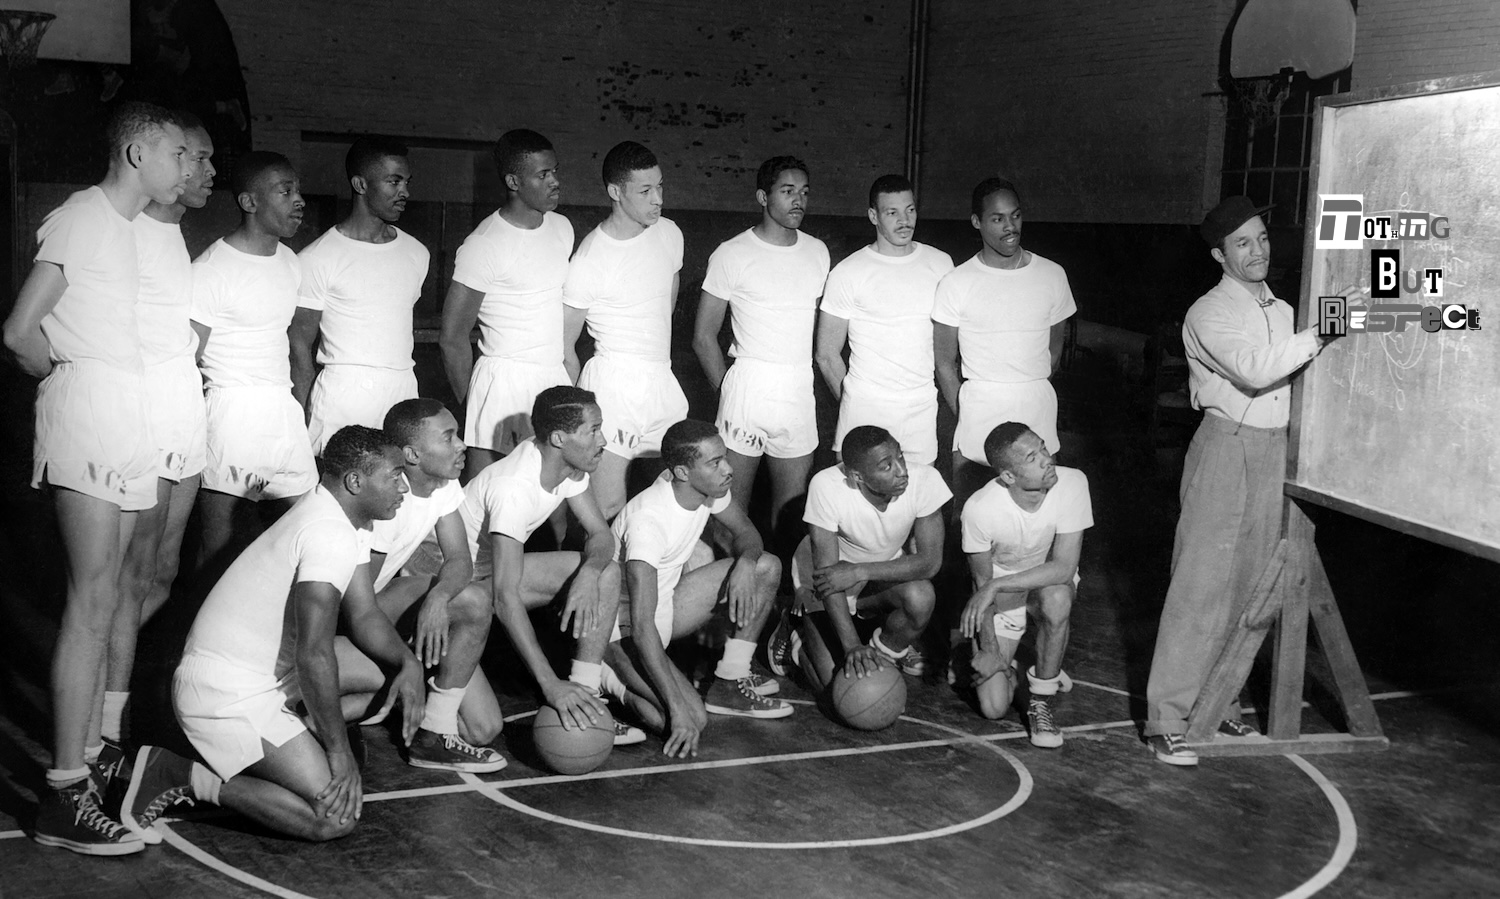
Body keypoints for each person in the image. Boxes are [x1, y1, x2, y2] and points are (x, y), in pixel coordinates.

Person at [4, 101, 190, 856]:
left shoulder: (127, 228)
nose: (186, 165)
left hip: (127, 411)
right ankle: (63, 792)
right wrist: (72, 379)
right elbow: (18, 330)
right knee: (89, 604)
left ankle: (87, 758)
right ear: (137, 151)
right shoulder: (81, 217)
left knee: (110, 596)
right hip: (90, 410)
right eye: (178, 151)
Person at [120, 426, 426, 843]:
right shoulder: (327, 533)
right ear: (355, 481)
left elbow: (366, 615)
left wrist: (408, 663)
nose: (403, 486)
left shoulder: (344, 519)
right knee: (333, 819)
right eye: (394, 475)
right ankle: (178, 774)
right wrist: (339, 755)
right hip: (225, 694)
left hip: (263, 675)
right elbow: (314, 655)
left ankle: (298, 728)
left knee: (384, 671)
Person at [1143, 196, 1343, 766]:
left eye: (1261, 238)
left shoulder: (1282, 311)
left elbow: (1297, 367)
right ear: (1219, 254)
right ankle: (1167, 719)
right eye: (1242, 243)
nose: (1257, 251)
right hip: (1227, 450)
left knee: (1253, 586)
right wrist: (1325, 328)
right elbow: (1258, 369)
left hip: (1277, 452)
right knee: (1201, 585)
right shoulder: (1208, 312)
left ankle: (1220, 707)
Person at [104, 111, 215, 769]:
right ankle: (104, 726)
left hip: (185, 414)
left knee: (166, 570)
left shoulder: (175, 234)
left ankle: (125, 703)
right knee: (128, 578)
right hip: (141, 416)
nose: (201, 171)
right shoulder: (119, 231)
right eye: (190, 157)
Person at [462, 385, 643, 745]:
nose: (603, 440)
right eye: (592, 430)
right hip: (452, 587)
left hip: (490, 574)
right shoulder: (514, 488)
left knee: (605, 571)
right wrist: (550, 685)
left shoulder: (567, 465)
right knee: (482, 731)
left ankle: (587, 697)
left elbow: (601, 536)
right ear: (559, 438)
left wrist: (588, 574)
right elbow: (504, 598)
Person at [602, 420, 792, 759]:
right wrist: (676, 707)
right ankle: (610, 678)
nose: (729, 469)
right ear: (682, 472)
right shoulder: (648, 521)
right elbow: (643, 627)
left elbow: (747, 534)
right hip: (623, 631)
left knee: (766, 566)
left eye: (724, 457)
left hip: (667, 610)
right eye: (715, 462)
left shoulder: (707, 490)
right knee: (686, 719)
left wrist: (745, 563)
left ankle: (731, 680)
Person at [333, 399, 506, 771]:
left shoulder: (443, 484)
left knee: (482, 727)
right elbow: (354, 602)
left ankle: (423, 717)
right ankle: (421, 724)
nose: (461, 445)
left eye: (458, 434)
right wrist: (405, 652)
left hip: (382, 607)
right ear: (412, 453)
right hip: (344, 621)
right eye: (448, 438)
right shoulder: (386, 496)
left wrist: (437, 601)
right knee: (474, 601)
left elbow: (460, 559)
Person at [692, 156, 829, 548]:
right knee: (727, 508)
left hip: (797, 387)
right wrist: (728, 389)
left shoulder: (818, 252)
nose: (798, 201)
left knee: (791, 513)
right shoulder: (732, 253)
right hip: (747, 385)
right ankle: (723, 599)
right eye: (787, 192)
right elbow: (703, 336)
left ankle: (785, 602)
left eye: (804, 192)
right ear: (762, 197)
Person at [191, 150, 315, 573]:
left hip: (282, 413)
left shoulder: (290, 262)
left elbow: (291, 345)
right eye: (285, 190)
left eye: (297, 189)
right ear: (249, 202)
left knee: (307, 533)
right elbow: (184, 359)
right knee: (218, 551)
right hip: (231, 415)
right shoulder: (210, 269)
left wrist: (298, 407)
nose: (298, 199)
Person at [439, 130, 573, 481]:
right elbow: (452, 337)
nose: (555, 181)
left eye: (554, 171)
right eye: (543, 175)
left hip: (551, 375)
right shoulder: (483, 244)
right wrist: (475, 406)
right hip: (503, 382)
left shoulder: (562, 228)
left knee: (554, 507)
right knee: (492, 499)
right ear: (513, 181)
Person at [562, 141, 686, 520]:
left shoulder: (669, 233)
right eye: (645, 191)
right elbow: (565, 347)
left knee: (670, 503)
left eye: (660, 187)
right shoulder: (589, 259)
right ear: (615, 192)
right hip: (614, 386)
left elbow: (667, 296)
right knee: (607, 507)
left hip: (660, 381)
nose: (657, 199)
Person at [771, 426, 949, 690]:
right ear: (857, 477)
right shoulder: (826, 485)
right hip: (824, 586)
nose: (902, 470)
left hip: (869, 577)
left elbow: (930, 562)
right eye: (886, 466)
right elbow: (828, 577)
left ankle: (884, 655)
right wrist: (852, 646)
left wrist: (860, 571)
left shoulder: (925, 479)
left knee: (921, 597)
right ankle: (795, 632)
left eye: (900, 457)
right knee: (834, 687)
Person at [934, 178, 1075, 502]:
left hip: (1035, 403)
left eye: (1015, 215)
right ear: (977, 222)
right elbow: (943, 362)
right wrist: (967, 409)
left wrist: (1026, 385)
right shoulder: (956, 282)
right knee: (972, 516)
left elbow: (1054, 349)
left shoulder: (1052, 274)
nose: (1010, 227)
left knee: (1038, 513)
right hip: (980, 406)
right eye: (997, 219)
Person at [290, 136, 430, 455]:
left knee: (400, 496)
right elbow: (299, 345)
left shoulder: (416, 253)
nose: (404, 191)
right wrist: (298, 419)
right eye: (394, 181)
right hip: (344, 394)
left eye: (407, 182)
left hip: (402, 389)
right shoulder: (317, 258)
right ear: (360, 184)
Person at [956, 423, 1091, 748]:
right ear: (1008, 477)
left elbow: (1063, 568)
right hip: (1001, 592)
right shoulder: (979, 509)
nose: (1047, 460)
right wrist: (989, 651)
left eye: (1043, 448)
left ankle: (1041, 700)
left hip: (1047, 580)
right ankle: (1022, 662)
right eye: (1032, 457)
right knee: (993, 707)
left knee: (1057, 599)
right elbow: (982, 583)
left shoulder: (1073, 483)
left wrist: (993, 588)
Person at [815, 174, 954, 468]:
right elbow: (827, 355)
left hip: (920, 406)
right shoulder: (848, 272)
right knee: (857, 507)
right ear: (873, 216)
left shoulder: (941, 264)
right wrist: (855, 403)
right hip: (865, 407)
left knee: (917, 503)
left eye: (910, 210)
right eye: (892, 212)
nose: (905, 220)